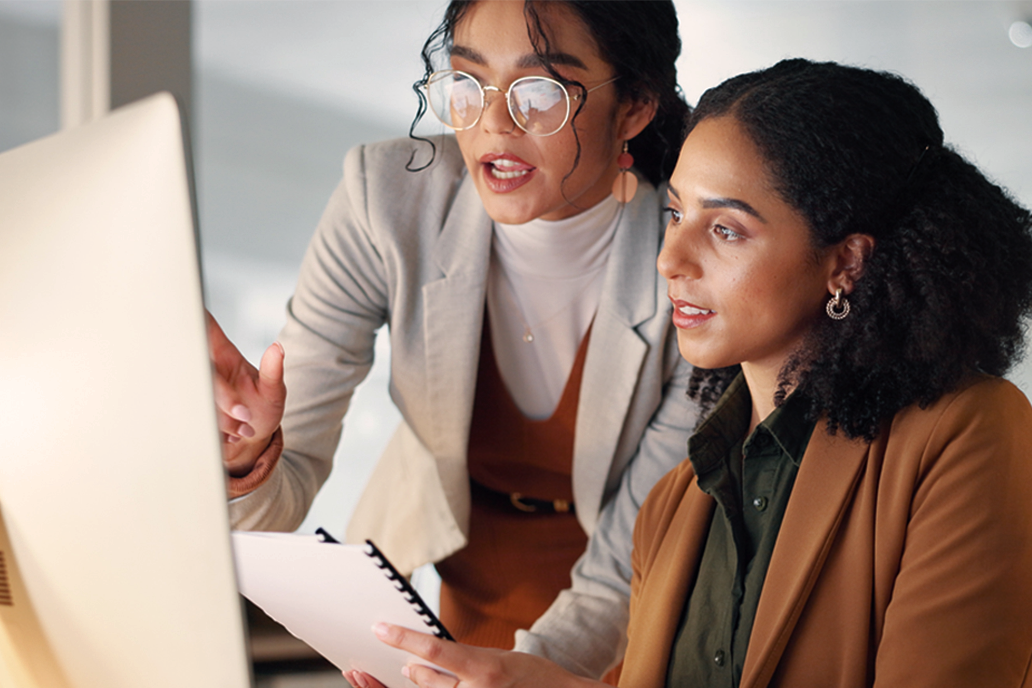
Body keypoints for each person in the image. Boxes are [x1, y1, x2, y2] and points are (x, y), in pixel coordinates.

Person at [358, 58, 1032, 688]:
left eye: (726, 229)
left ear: (847, 263)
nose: (668, 258)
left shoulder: (971, 436)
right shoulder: (676, 501)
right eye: (676, 213)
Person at [209, 0, 697, 665]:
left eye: (539, 90)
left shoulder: (689, 264)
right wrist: (245, 449)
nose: (493, 123)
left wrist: (524, 677)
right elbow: (277, 505)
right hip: (461, 582)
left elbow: (625, 565)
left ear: (636, 106)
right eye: (468, 82)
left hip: (643, 604)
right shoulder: (384, 201)